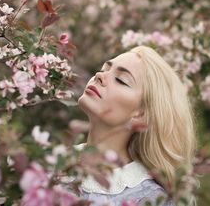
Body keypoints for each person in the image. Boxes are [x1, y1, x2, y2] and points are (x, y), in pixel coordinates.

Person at [76, 45, 197, 206]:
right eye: (104, 69)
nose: (99, 76)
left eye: (120, 80)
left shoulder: (152, 199)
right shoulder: (47, 163)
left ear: (141, 114)